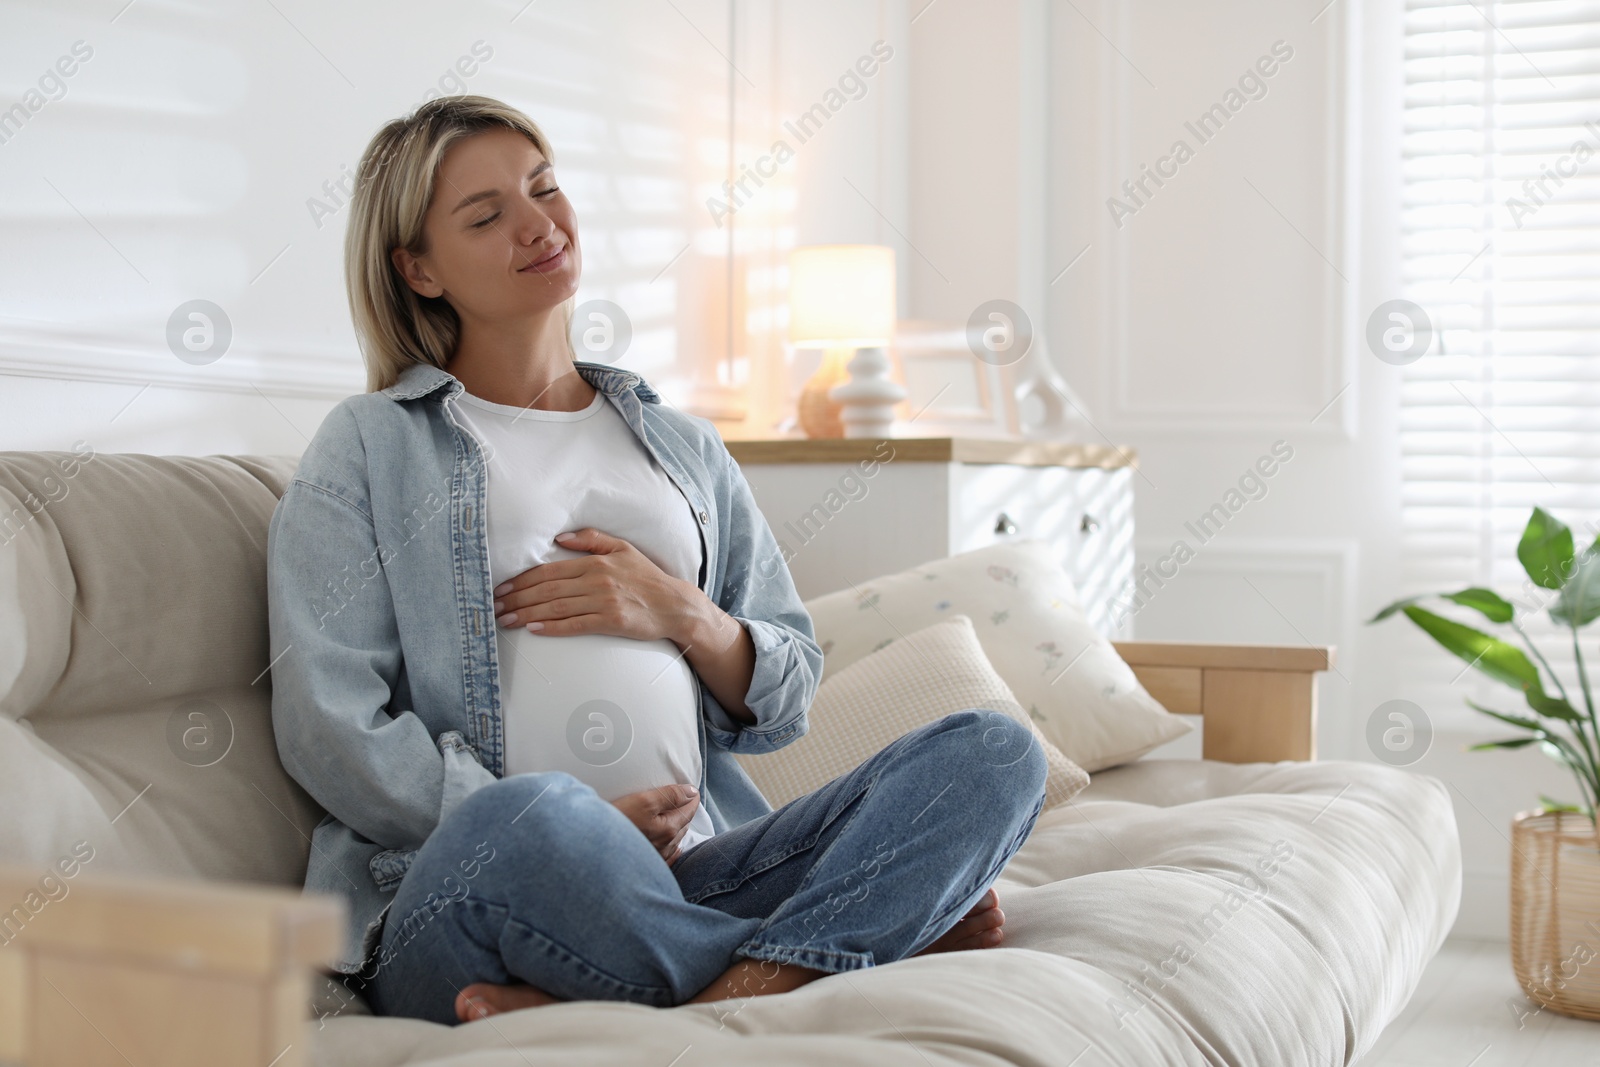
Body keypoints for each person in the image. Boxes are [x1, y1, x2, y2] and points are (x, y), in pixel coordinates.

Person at [265, 94, 1048, 1028]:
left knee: (993, 751)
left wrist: (683, 612)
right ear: (418, 269)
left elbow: (788, 691)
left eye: (544, 187)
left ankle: (730, 986)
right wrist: (584, 827)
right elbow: (328, 722)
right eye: (486, 216)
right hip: (485, 877)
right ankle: (851, 942)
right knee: (532, 820)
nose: (537, 222)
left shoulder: (680, 445)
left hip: (696, 874)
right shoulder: (368, 445)